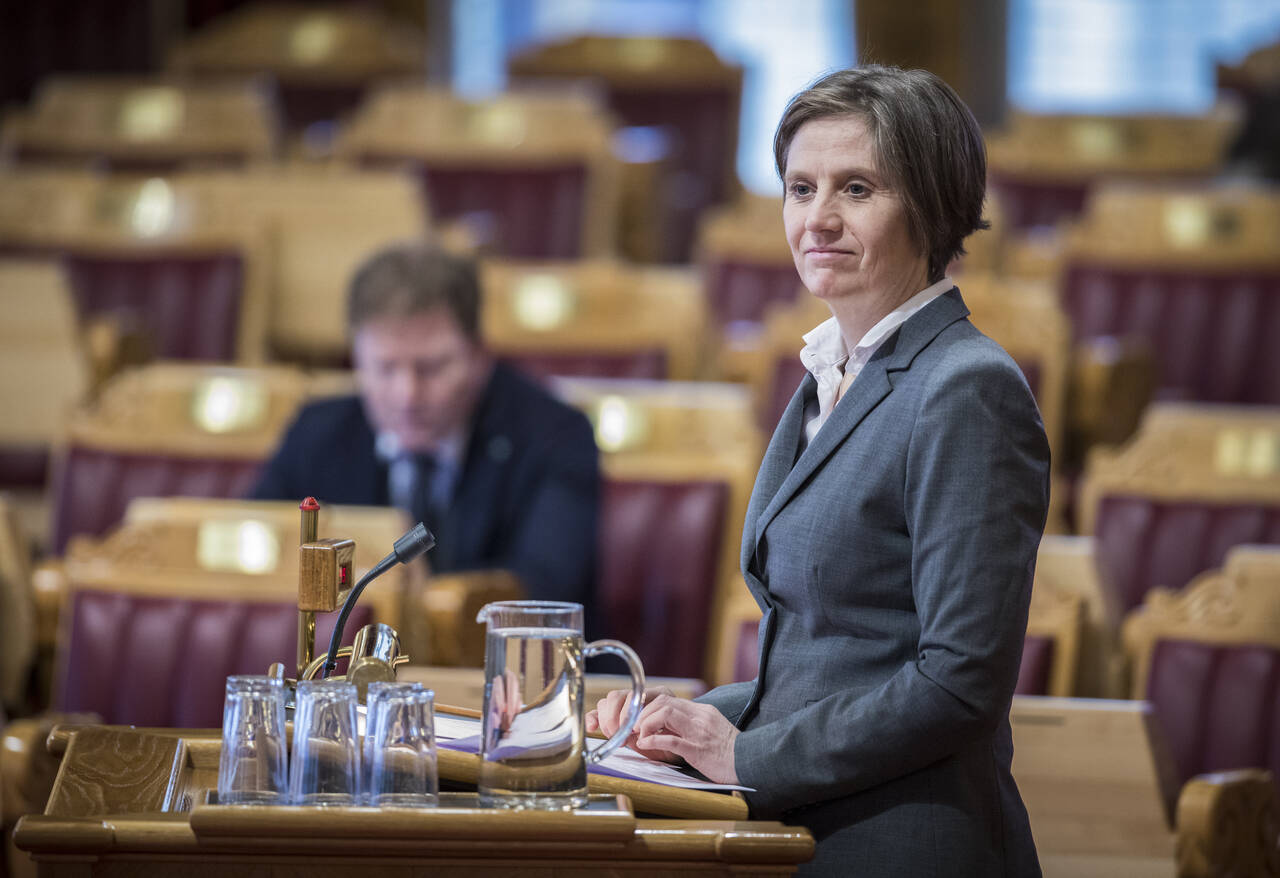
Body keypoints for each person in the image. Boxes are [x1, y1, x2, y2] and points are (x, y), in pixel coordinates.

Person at [589, 66, 1050, 876]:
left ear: (933, 204)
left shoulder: (965, 387)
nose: (819, 219)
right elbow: (822, 660)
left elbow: (958, 684)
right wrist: (679, 723)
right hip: (807, 833)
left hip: (907, 844)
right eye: (800, 189)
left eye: (858, 188)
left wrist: (746, 759)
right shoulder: (830, 373)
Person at [252, 242, 600, 607]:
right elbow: (256, 558)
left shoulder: (555, 436)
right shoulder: (317, 434)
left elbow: (545, 589)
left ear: (479, 356)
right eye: (385, 368)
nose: (408, 395)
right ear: (356, 359)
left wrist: (430, 603)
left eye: (431, 368)